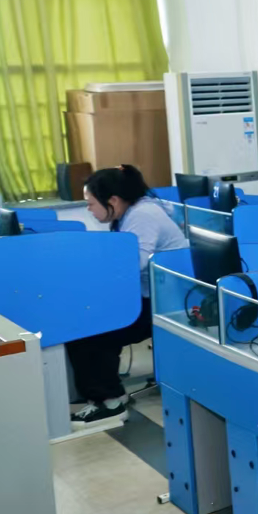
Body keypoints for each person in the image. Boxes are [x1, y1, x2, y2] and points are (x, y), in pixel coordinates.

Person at [72, 165, 188, 427]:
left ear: (112, 200)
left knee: (92, 331)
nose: (89, 210)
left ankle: (111, 402)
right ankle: (105, 395)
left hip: (165, 303)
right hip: (148, 296)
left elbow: (132, 264)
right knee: (86, 323)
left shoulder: (142, 215)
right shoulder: (129, 213)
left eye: (90, 204)